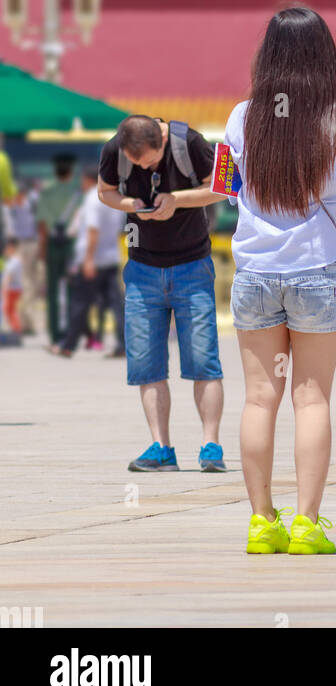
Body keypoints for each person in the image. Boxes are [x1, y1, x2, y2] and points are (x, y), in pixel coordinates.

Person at [225, 6, 336, 556]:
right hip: (317, 269)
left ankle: (261, 523)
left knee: (258, 398)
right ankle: (307, 526)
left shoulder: (241, 117)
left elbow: (226, 187)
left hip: (254, 271)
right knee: (311, 400)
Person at [98, 115, 227, 472]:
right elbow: (105, 191)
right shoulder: (114, 149)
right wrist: (131, 206)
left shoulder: (192, 143)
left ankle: (211, 446)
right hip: (141, 270)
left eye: (151, 161)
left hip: (192, 266)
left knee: (203, 360)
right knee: (146, 363)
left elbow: (224, 187)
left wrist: (177, 200)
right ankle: (161, 446)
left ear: (162, 140)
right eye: (136, 164)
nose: (144, 169)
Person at [51, 168, 125, 358]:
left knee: (79, 303)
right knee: (117, 304)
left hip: (93, 260)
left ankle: (67, 345)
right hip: (110, 258)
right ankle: (124, 345)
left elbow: (93, 230)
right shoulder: (115, 198)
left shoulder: (94, 199)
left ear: (87, 179)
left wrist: (88, 260)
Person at [36, 153, 81, 347]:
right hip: (72, 245)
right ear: (71, 170)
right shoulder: (77, 192)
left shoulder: (46, 191)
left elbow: (43, 225)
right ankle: (70, 336)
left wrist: (42, 249)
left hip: (53, 244)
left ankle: (55, 334)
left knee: (52, 292)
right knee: (72, 291)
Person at [5, 183, 40, 335]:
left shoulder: (32, 202)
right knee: (24, 284)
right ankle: (25, 323)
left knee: (30, 284)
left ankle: (28, 322)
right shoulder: (11, 209)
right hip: (19, 245)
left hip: (32, 244)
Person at [1, 238, 23, 333]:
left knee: (9, 309)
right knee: (9, 309)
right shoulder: (13, 260)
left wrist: (4, 290)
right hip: (13, 289)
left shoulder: (14, 261)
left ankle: (16, 329)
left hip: (12, 289)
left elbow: (8, 277)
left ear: (11, 248)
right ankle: (15, 328)